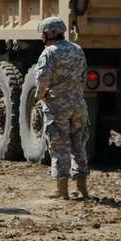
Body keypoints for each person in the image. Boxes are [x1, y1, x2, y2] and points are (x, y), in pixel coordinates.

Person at [35, 16, 90, 200]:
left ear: (50, 34)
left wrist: (40, 94)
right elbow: (83, 77)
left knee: (59, 145)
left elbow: (42, 78)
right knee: (79, 144)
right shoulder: (77, 50)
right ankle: (82, 188)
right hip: (79, 104)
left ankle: (62, 190)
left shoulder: (49, 53)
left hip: (58, 105)